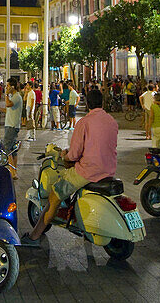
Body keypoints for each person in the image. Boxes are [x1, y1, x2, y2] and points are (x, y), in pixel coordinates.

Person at [22, 87, 118, 246]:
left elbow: (73, 155)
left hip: (88, 171)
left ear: (87, 104)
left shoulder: (84, 122)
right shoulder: (112, 121)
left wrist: (65, 156)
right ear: (102, 103)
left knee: (54, 195)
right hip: (108, 170)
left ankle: (34, 236)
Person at [2, 77, 23, 178]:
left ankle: (12, 171)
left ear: (13, 87)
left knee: (6, 148)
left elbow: (8, 104)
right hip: (10, 124)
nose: (6, 88)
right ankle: (14, 170)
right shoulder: (13, 96)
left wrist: (6, 94)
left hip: (12, 125)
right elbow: (8, 109)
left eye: (8, 86)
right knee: (13, 150)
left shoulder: (16, 96)